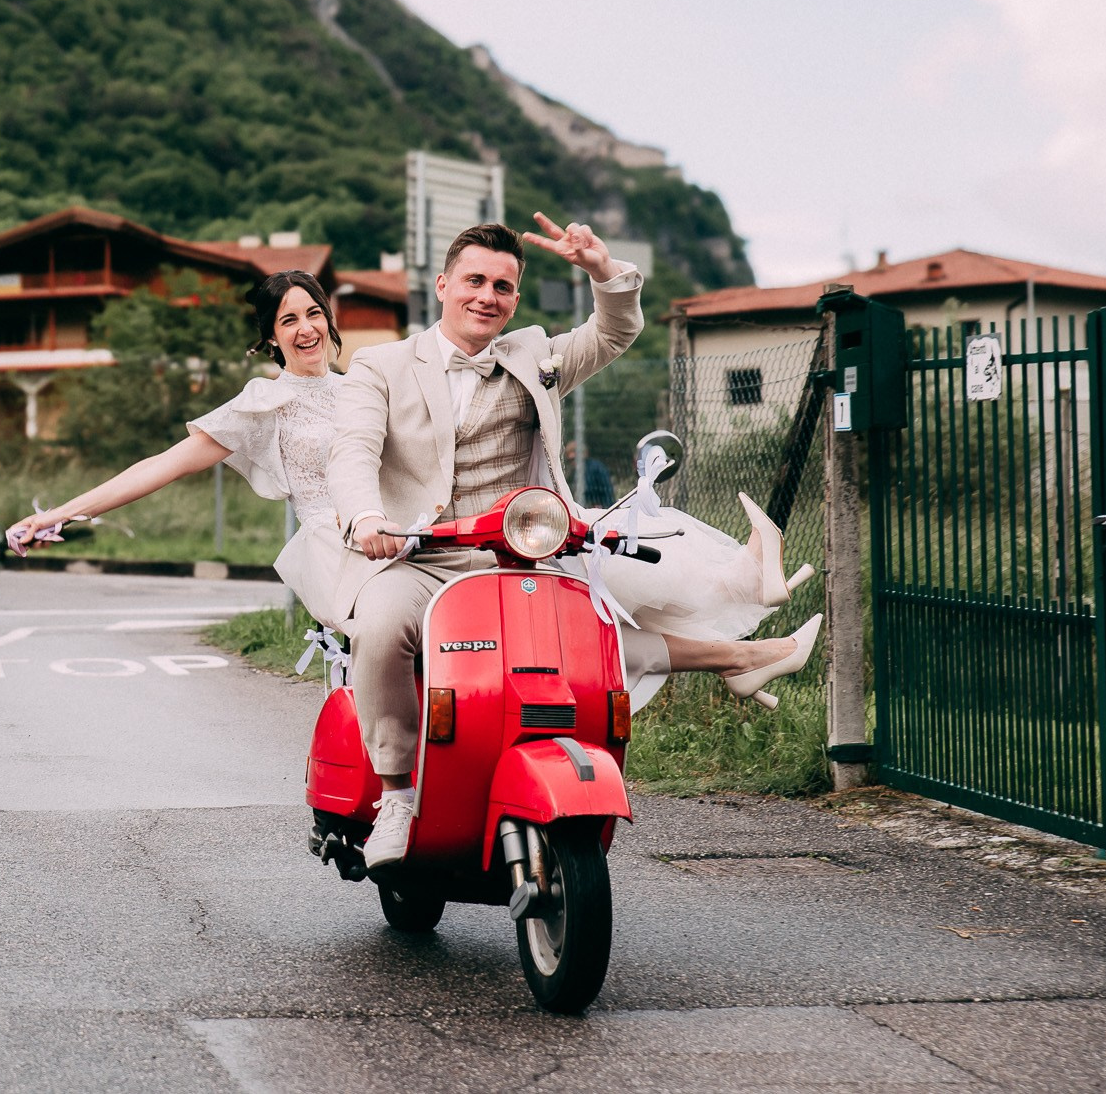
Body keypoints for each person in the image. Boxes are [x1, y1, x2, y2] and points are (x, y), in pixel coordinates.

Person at [328, 217, 819, 869]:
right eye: (474, 279)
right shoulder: (381, 363)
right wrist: (367, 519)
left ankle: (737, 642)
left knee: (593, 641)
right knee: (383, 624)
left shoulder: (534, 352)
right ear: (443, 285)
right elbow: (352, 449)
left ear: (515, 298)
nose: (487, 295)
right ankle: (396, 792)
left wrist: (602, 272)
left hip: (518, 554)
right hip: (420, 554)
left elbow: (615, 330)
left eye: (503, 285)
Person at [6, 270, 354, 630]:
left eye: (314, 313)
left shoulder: (362, 390)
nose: (306, 328)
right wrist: (59, 514)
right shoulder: (265, 403)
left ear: (328, 318)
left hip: (390, 535)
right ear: (272, 337)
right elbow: (163, 465)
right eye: (289, 320)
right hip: (332, 552)